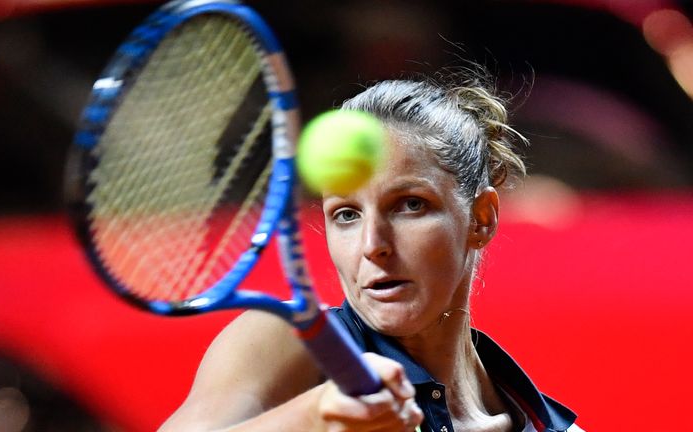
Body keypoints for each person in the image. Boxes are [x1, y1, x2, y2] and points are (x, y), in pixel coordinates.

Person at [160, 71, 583, 432]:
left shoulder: (548, 425)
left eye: (410, 205)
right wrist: (313, 416)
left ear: (481, 219)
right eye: (345, 214)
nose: (372, 245)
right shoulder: (290, 345)